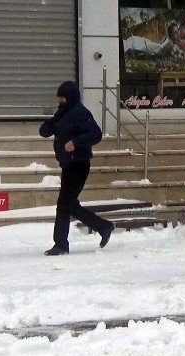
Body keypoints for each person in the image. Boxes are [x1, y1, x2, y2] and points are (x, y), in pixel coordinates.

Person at [39, 81, 115, 256]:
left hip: (79, 164)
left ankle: (61, 245)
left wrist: (76, 143)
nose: (59, 100)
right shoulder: (63, 113)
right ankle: (104, 227)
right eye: (59, 98)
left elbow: (96, 134)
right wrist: (50, 123)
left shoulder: (81, 113)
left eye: (62, 97)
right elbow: (45, 131)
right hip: (68, 164)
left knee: (63, 205)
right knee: (69, 205)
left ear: (70, 97)